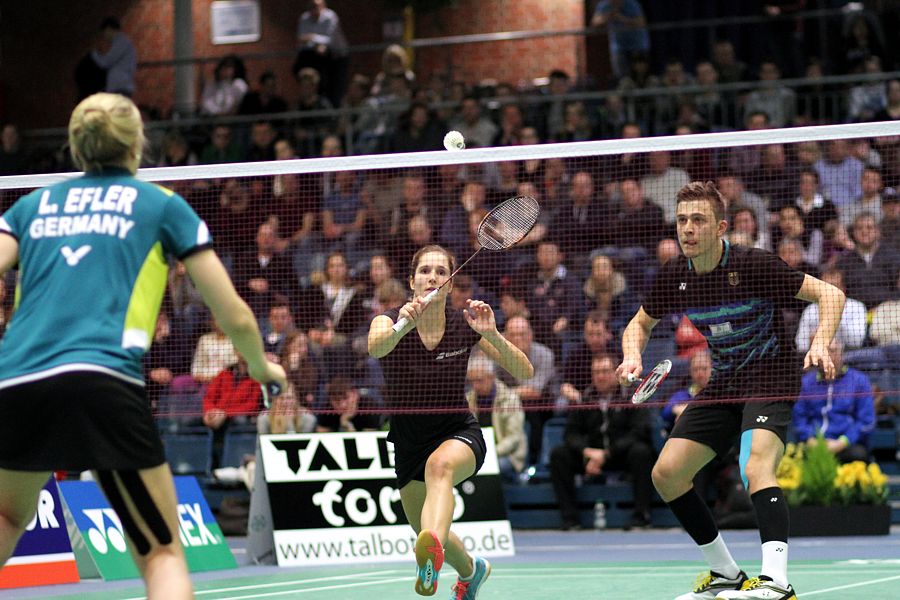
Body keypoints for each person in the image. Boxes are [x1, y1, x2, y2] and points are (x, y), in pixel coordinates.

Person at [0, 93, 285, 599]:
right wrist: (262, 368)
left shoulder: (31, 206)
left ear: (75, 145)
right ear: (137, 145)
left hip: (17, 381)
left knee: (5, 518)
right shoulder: (161, 204)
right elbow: (233, 313)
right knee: (161, 553)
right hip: (102, 381)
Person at [617, 181, 844, 599]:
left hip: (770, 374)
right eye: (682, 220)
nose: (687, 228)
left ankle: (776, 583)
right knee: (667, 474)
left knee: (755, 466)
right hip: (724, 381)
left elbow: (830, 294)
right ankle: (726, 574)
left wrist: (818, 342)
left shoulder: (754, 265)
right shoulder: (673, 276)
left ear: (720, 227)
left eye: (698, 220)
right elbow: (639, 324)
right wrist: (632, 355)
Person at [368, 244, 532, 598]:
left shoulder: (465, 324)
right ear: (412, 281)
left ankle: (426, 562)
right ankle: (472, 571)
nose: (433, 277)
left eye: (442, 272)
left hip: (459, 435)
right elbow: (377, 347)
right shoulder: (387, 319)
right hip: (409, 443)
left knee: (439, 468)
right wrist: (403, 325)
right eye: (425, 271)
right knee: (426, 529)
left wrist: (492, 334)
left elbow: (524, 371)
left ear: (451, 282)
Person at [551, 354, 655, 531]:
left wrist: (607, 454)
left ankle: (641, 515)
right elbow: (571, 434)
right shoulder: (585, 398)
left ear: (616, 374)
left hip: (620, 455)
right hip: (591, 457)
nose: (600, 376)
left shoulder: (632, 397)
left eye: (605, 371)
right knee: (559, 455)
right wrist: (587, 452)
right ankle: (570, 519)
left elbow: (640, 432)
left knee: (642, 452)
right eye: (596, 372)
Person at [794, 341, 874, 464]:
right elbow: (799, 417)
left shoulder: (859, 380)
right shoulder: (806, 383)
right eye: (825, 351)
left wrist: (843, 441)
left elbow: (866, 421)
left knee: (859, 455)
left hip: (845, 445)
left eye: (833, 351)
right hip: (813, 443)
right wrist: (810, 439)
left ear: (842, 354)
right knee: (793, 454)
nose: (829, 355)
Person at [465, 352, 527, 482]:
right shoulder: (469, 399)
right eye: (472, 381)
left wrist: (490, 453)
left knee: (490, 468)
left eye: (479, 380)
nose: (475, 386)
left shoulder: (510, 399)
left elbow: (513, 438)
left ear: (491, 377)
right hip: (476, 453)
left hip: (507, 455)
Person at [91, 17, 137, 97]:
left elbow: (105, 63)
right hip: (120, 86)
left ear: (109, 29)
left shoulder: (121, 42)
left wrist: (95, 54)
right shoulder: (122, 42)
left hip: (120, 87)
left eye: (104, 32)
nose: (104, 36)